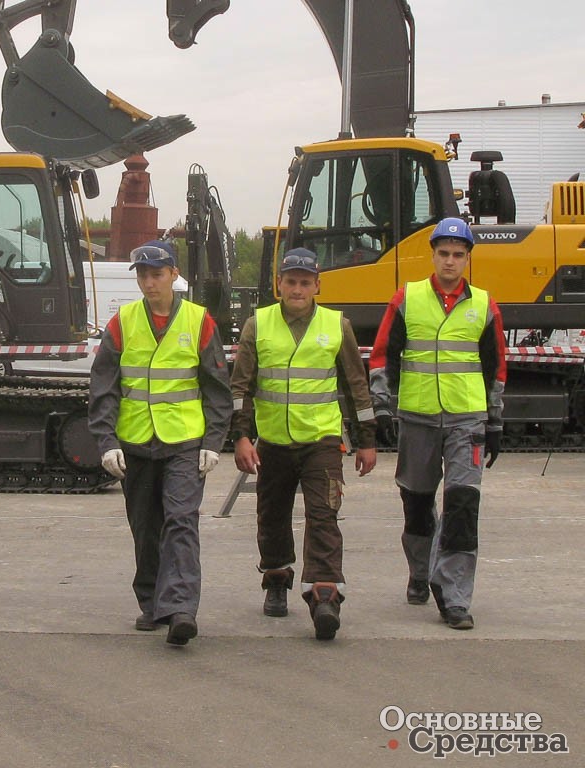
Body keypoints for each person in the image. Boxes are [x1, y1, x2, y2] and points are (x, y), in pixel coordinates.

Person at [88, 240, 232, 646]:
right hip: (135, 443)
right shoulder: (122, 322)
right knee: (145, 525)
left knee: (181, 520)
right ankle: (152, 603)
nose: (150, 283)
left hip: (185, 441)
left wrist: (212, 441)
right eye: (143, 276)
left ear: (173, 274)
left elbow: (217, 389)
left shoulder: (200, 322)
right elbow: (103, 388)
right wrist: (106, 441)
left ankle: (182, 608)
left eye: (157, 274)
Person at [231, 247, 377, 641]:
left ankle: (324, 595)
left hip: (321, 440)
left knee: (324, 513)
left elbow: (356, 387)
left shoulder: (337, 325)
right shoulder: (257, 325)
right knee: (272, 515)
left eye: (305, 282)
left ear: (317, 285)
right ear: (279, 284)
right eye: (290, 281)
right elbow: (240, 387)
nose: (297, 289)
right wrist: (242, 436)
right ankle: (277, 579)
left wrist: (367, 441)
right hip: (273, 441)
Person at [369, 217, 505, 630]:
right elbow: (382, 357)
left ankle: (454, 596)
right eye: (443, 253)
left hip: (468, 420)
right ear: (433, 255)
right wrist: (382, 409)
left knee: (463, 506)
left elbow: (495, 367)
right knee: (416, 504)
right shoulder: (406, 298)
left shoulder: (484, 305)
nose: (450, 261)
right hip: (418, 417)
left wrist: (494, 420)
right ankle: (420, 571)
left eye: (458, 255)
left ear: (468, 259)